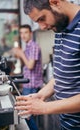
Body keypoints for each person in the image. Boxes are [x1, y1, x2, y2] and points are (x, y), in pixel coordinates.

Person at [15, 0, 80, 130]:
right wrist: (41, 94)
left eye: (42, 18)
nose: (42, 27)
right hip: (67, 124)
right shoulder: (60, 27)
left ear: (55, 2)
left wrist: (45, 107)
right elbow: (62, 74)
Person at [13, 24, 43, 130]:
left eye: (25, 32)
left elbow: (30, 66)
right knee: (28, 115)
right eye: (21, 33)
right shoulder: (28, 47)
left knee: (27, 116)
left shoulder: (34, 46)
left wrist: (21, 54)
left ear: (31, 33)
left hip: (32, 85)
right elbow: (26, 64)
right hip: (28, 84)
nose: (23, 35)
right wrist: (20, 54)